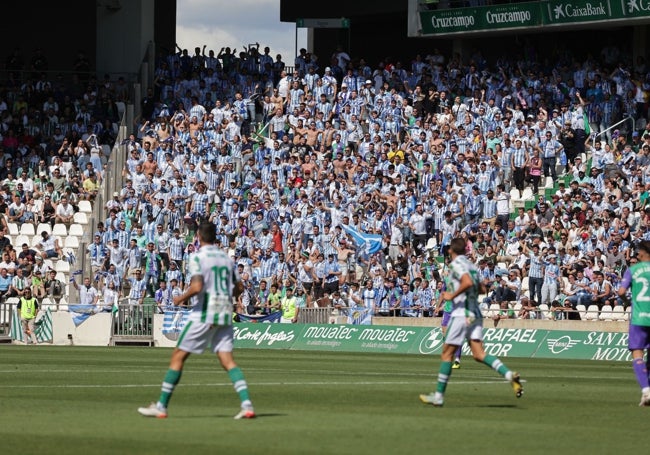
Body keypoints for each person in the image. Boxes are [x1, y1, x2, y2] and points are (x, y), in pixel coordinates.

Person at [138, 223, 255, 419]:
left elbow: (198, 286)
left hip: (204, 314)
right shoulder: (226, 258)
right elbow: (240, 287)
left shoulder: (198, 257)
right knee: (227, 361)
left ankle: (161, 406)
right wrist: (230, 298)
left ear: (198, 236)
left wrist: (180, 298)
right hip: (224, 314)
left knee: (177, 357)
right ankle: (247, 404)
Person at [420, 237, 523, 407]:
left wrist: (452, 295)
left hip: (461, 313)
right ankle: (509, 375)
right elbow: (483, 287)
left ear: (451, 251)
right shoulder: (471, 266)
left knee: (446, 354)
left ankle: (438, 396)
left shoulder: (456, 265)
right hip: (475, 313)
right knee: (478, 354)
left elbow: (467, 282)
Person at [617, 240, 650, 406]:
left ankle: (646, 390)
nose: (637, 255)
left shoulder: (634, 270)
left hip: (639, 318)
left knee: (637, 353)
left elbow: (621, 291)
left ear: (644, 252)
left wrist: (626, 301)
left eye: (638, 252)